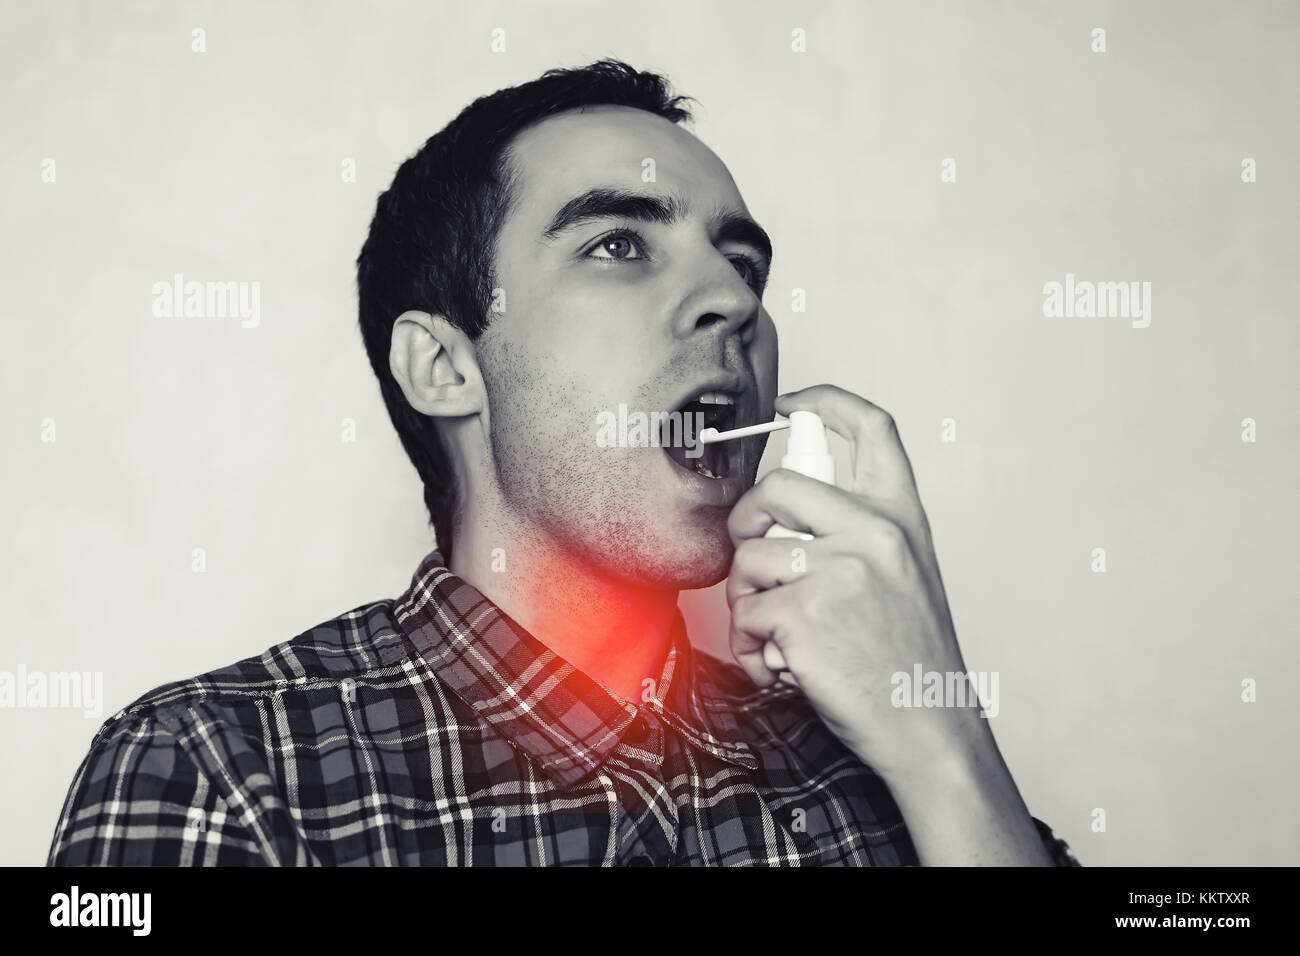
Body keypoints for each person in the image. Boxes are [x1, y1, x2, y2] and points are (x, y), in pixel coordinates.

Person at [49, 60, 1077, 866]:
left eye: (743, 262)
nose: (734, 301)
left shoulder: (871, 751)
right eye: (619, 246)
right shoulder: (221, 769)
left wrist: (942, 736)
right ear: (446, 364)